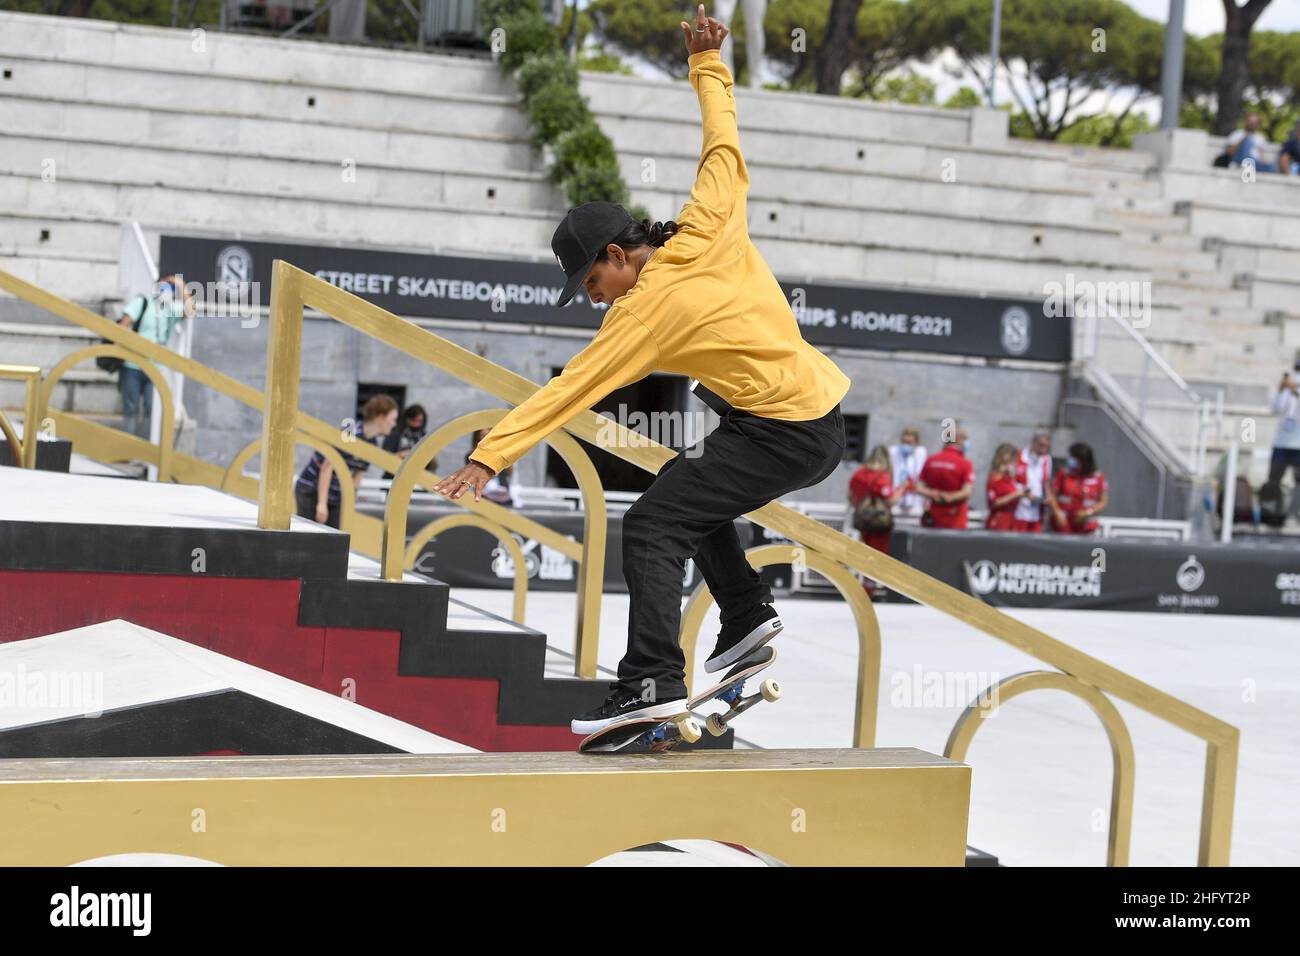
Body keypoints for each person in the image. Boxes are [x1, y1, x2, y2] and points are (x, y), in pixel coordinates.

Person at [433, 6, 850, 736]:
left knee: (655, 525)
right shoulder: (707, 223)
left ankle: (652, 677)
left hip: (781, 430)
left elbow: (571, 388)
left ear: (618, 257)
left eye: (594, 287)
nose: (597, 304)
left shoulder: (640, 313)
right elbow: (724, 143)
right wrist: (707, 63)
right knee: (681, 494)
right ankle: (747, 613)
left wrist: (489, 456)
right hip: (813, 418)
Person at [295, 394, 399, 528]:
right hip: (311, 488)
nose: (394, 424)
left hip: (334, 494)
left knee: (334, 538)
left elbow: (357, 477)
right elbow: (327, 466)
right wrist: (322, 503)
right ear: (380, 417)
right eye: (393, 419)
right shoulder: (350, 431)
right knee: (309, 535)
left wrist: (350, 503)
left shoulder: (372, 444)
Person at [117, 274, 191, 439]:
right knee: (131, 408)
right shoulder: (143, 303)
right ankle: (126, 446)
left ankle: (144, 449)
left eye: (170, 288)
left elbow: (190, 310)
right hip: (133, 365)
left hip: (156, 367)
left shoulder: (170, 308)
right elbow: (123, 325)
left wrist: (180, 285)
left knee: (152, 408)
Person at [849, 445, 904, 598]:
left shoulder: (858, 474)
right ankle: (869, 590)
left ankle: (860, 585)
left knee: (863, 554)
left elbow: (852, 496)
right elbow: (891, 500)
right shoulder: (882, 477)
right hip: (879, 522)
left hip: (863, 520)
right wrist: (902, 489)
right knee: (876, 556)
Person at [917, 427, 974, 529]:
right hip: (955, 518)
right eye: (965, 439)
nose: (967, 442)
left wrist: (933, 493)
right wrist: (949, 497)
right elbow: (967, 491)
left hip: (933, 516)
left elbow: (919, 487)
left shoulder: (931, 460)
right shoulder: (965, 463)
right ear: (958, 439)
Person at [1049, 443, 1108, 534]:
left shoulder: (1098, 477)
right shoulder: (1064, 474)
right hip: (1063, 523)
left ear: (1083, 460)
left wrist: (1087, 512)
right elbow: (1052, 495)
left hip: (1086, 525)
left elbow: (1103, 501)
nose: (1070, 460)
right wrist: (1057, 512)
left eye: (1073, 457)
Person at [1267, 367, 1300, 522]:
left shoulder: (1294, 385)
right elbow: (1275, 409)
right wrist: (1282, 391)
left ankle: (1296, 514)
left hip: (1298, 443)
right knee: (1274, 478)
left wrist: (1294, 388)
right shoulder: (1287, 389)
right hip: (1282, 442)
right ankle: (1272, 513)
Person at [465, 427, 520, 508]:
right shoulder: (471, 455)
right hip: (484, 496)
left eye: (492, 429)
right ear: (478, 432)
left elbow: (510, 473)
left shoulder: (502, 452)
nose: (490, 432)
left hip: (503, 494)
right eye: (488, 429)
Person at [1013, 431, 1053, 532]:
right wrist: (1026, 493)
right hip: (1020, 507)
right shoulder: (1020, 456)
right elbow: (1013, 481)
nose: (1043, 449)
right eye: (1041, 445)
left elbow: (1046, 481)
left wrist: (1048, 495)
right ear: (1033, 442)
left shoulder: (1046, 459)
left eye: (1046, 446)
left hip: (1037, 508)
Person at [381, 404, 432, 480]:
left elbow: (433, 466)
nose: (417, 425)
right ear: (407, 419)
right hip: (395, 477)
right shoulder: (396, 434)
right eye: (414, 421)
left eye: (420, 421)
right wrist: (405, 454)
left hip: (419, 479)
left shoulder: (425, 436)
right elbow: (384, 458)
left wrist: (431, 456)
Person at [887, 427, 927, 517]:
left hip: (914, 498)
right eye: (905, 441)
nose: (907, 444)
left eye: (910, 442)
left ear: (916, 441)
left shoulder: (921, 452)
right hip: (896, 495)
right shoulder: (894, 451)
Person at [985, 443, 1023, 531]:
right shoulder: (994, 477)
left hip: (1011, 520)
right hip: (999, 520)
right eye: (1012, 461)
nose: (1015, 464)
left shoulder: (1010, 478)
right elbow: (994, 503)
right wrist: (1016, 495)